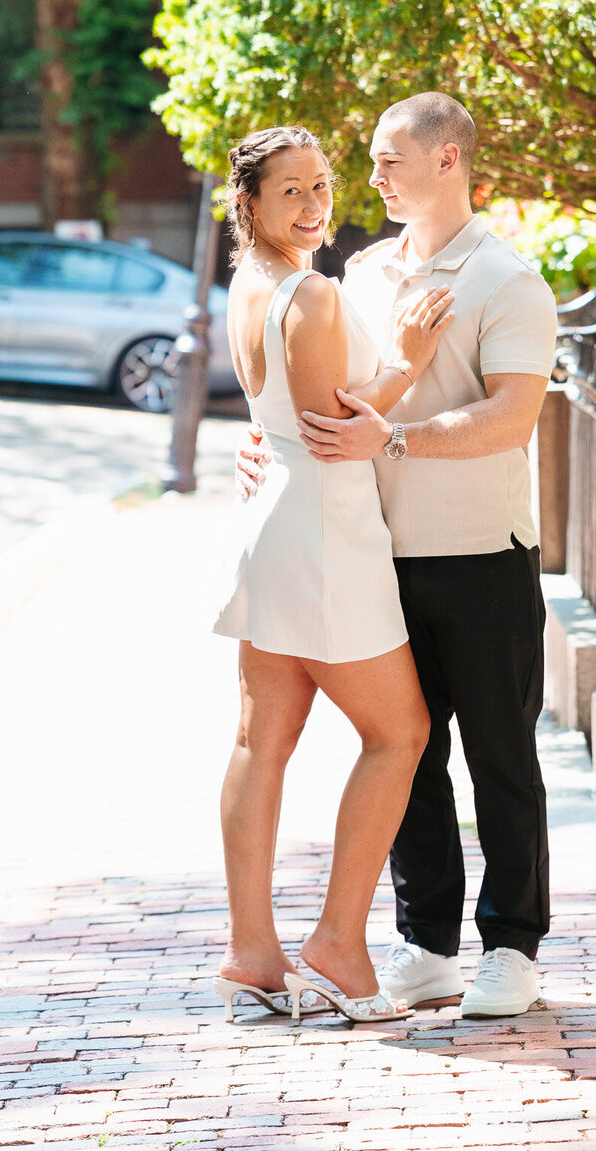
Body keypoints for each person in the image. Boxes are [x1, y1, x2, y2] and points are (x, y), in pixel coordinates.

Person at [238, 93, 559, 1019]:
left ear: (448, 160)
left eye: (390, 160)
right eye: (370, 161)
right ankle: (428, 943)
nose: (372, 176)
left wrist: (398, 441)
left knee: (501, 756)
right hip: (375, 555)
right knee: (407, 756)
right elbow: (320, 394)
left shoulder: (506, 280)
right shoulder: (366, 270)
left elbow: (513, 415)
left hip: (479, 555)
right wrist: (262, 441)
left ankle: (512, 946)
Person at [213, 124, 455, 1025]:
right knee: (401, 732)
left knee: (259, 743)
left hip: (274, 518)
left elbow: (278, 414)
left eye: (322, 186)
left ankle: (251, 954)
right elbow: (331, 425)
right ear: (251, 204)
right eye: (291, 193)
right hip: (321, 526)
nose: (315, 207)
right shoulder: (308, 294)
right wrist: (404, 366)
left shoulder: (250, 282)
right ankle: (338, 948)